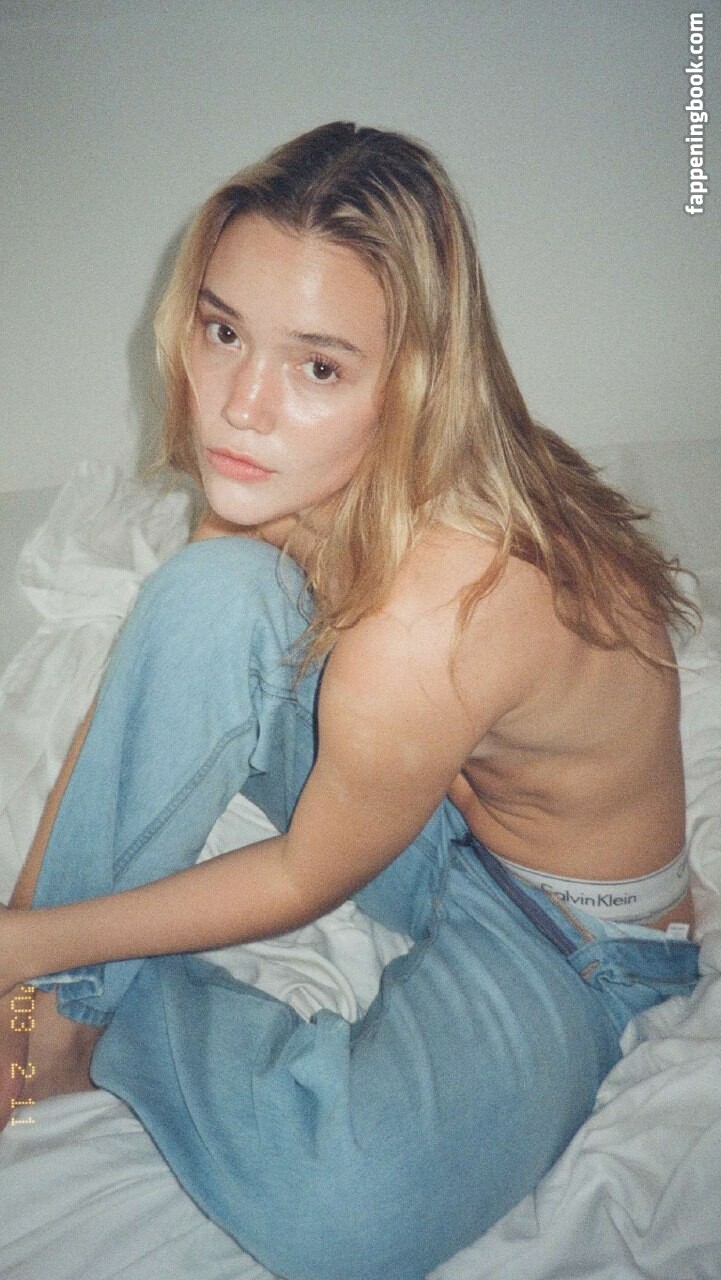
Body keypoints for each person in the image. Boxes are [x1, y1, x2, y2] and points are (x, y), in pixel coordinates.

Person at [0, 122, 700, 1279]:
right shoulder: (283, 480)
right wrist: (33, 946)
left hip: (564, 929)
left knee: (346, 1211)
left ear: (414, 377)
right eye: (223, 331)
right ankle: (51, 1021)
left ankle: (113, 1009)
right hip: (426, 797)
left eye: (317, 367)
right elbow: (168, 671)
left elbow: (303, 876)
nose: (240, 407)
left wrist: (22, 936)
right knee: (206, 595)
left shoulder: (432, 614)